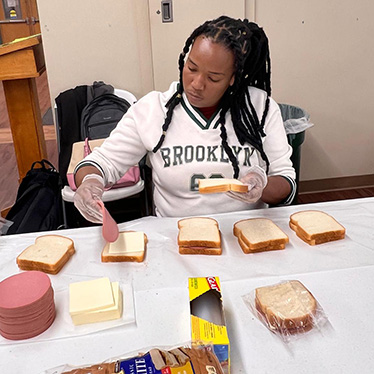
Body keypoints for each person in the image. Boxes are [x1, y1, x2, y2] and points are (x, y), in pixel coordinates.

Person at [74, 15, 296, 222]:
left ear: (233, 79)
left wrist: (261, 186)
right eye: (192, 68)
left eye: (213, 78)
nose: (197, 84)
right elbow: (102, 162)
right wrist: (90, 182)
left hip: (247, 234)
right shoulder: (153, 110)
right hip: (176, 239)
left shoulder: (259, 108)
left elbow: (286, 180)